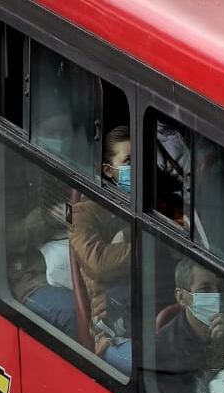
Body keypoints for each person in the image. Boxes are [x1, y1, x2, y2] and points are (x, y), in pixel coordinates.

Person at [70, 126, 133, 374]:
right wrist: (146, 247)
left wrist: (123, 242)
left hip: (157, 315)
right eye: (128, 161)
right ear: (109, 170)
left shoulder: (158, 205)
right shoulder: (82, 213)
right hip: (115, 332)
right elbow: (99, 264)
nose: (137, 168)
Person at [152, 258, 224, 393]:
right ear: (181, 297)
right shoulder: (163, 350)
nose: (217, 296)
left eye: (222, 288)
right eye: (205, 289)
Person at [7, 205, 77, 337]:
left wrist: (79, 215)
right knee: (73, 312)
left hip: (74, 258)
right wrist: (49, 217)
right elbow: (12, 237)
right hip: (31, 279)